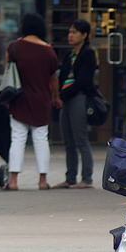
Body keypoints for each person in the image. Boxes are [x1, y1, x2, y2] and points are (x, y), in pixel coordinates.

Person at [6, 12, 59, 191]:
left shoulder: (14, 48)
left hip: (18, 99)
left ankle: (13, 181)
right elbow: (53, 79)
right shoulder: (49, 51)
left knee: (18, 138)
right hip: (41, 99)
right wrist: (56, 97)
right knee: (41, 138)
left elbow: (8, 71)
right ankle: (42, 181)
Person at [53, 19, 97, 189]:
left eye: (74, 32)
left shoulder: (88, 54)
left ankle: (87, 179)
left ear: (84, 35)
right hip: (66, 99)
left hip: (79, 97)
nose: (70, 36)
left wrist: (65, 93)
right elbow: (63, 76)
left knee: (80, 139)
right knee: (68, 140)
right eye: (69, 32)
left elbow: (84, 80)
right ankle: (70, 177)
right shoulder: (70, 55)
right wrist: (60, 95)